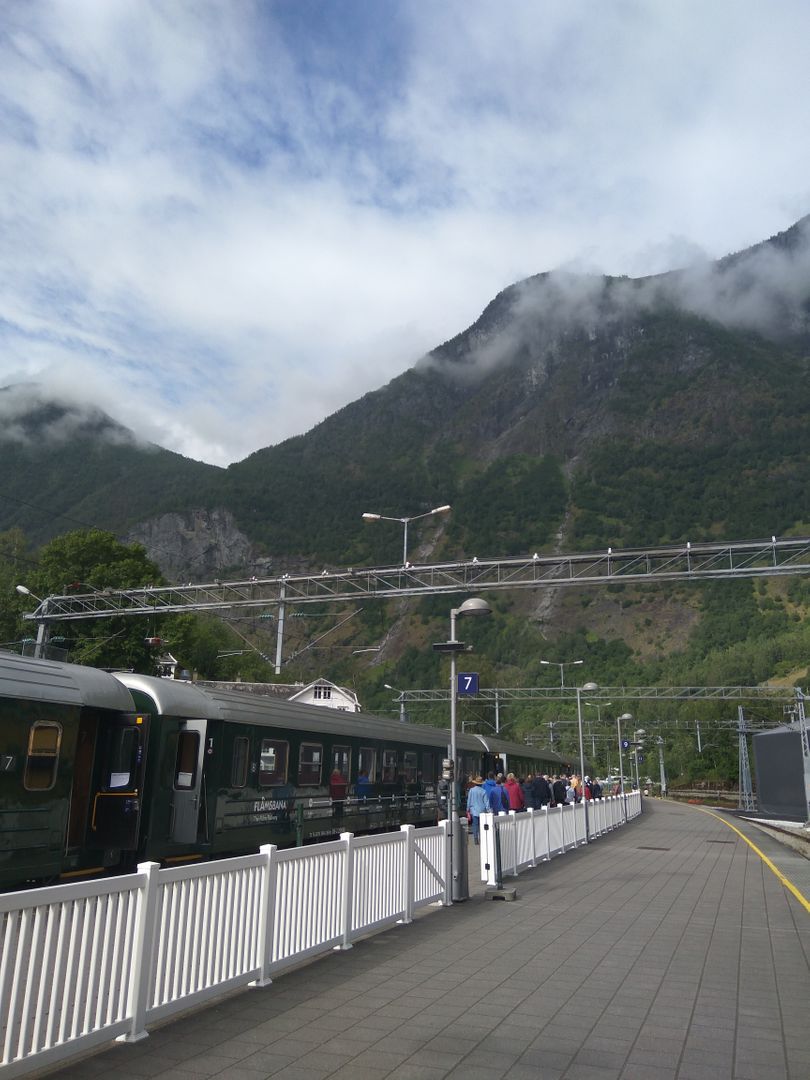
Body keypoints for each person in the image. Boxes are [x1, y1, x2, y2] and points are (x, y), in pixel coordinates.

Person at [465, 775, 490, 844]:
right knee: (481, 825)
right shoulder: (483, 791)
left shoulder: (471, 790)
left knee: (475, 824)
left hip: (474, 810)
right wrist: (488, 810)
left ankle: (475, 838)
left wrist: (467, 809)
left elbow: (469, 801)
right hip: (482, 810)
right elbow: (486, 802)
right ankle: (482, 837)